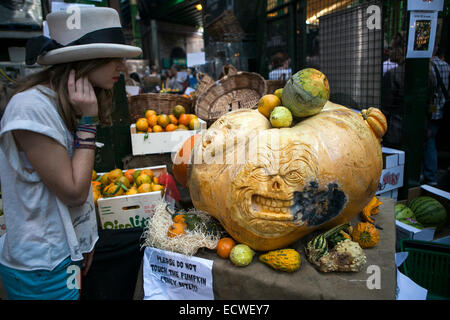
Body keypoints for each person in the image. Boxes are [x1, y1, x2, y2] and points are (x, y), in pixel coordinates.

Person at [0, 7, 141, 300]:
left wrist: (83, 240)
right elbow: (74, 192)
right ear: (85, 61)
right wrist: (88, 125)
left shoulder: (66, 101)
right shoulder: (31, 108)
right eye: (113, 58)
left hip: (66, 255)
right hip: (43, 267)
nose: (122, 66)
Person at [423, 46, 449, 186]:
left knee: (428, 143)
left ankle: (429, 175)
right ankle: (431, 175)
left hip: (428, 113)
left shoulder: (429, 67)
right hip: (440, 110)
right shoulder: (446, 66)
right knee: (431, 141)